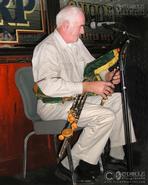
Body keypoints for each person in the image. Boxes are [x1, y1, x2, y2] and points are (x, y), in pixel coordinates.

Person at [32, 5, 136, 182]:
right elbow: (47, 86)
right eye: (80, 26)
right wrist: (86, 87)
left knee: (117, 99)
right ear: (65, 26)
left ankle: (116, 156)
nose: (82, 32)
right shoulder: (47, 48)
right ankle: (72, 164)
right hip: (53, 105)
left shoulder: (76, 43)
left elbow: (92, 66)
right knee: (105, 116)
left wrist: (108, 75)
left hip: (77, 100)